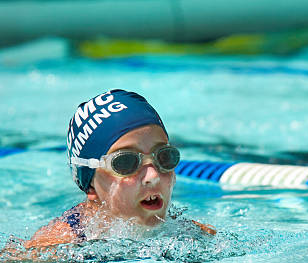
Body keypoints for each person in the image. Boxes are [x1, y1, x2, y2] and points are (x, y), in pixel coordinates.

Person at [22, 89, 215, 250]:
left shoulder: (192, 235)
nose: (153, 176)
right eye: (125, 162)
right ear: (90, 185)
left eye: (164, 157)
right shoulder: (59, 243)